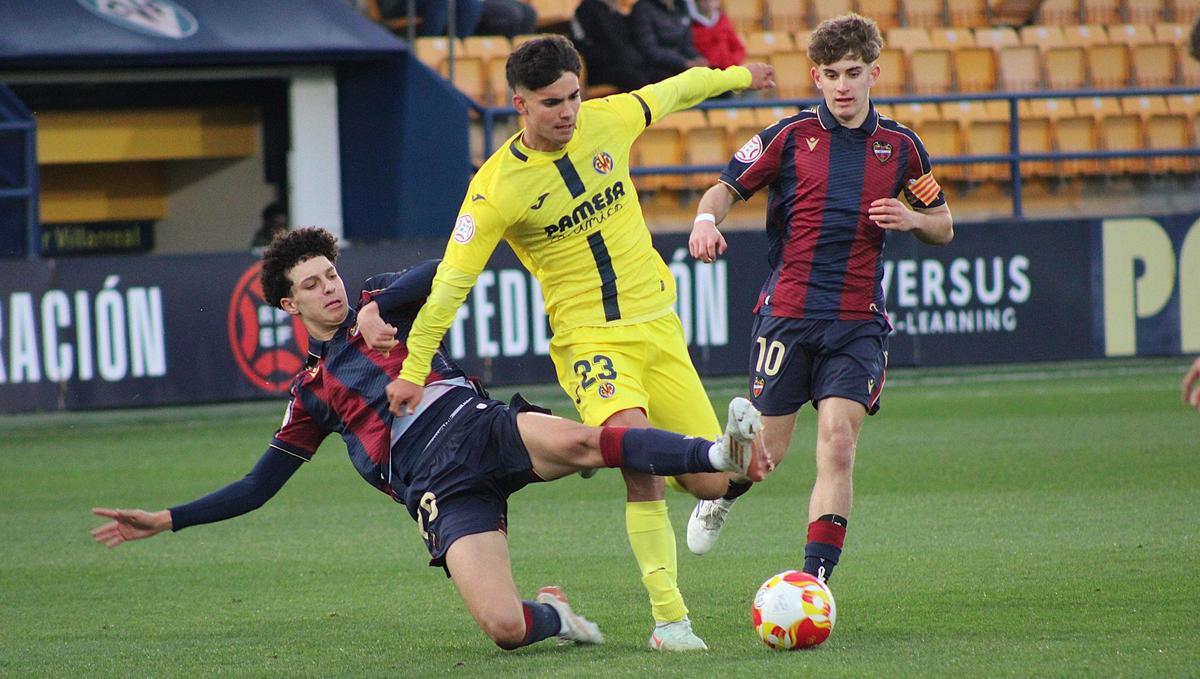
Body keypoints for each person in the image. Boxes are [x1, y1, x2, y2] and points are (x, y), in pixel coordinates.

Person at [91, 227, 768, 652]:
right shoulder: (310, 392)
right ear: (288, 304)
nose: (329, 289)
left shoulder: (381, 301)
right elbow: (257, 485)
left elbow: (453, 263)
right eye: (312, 285)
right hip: (437, 488)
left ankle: (717, 454)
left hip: (475, 424)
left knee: (593, 441)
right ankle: (558, 617)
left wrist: (379, 304)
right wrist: (168, 518)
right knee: (504, 628)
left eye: (331, 275)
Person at [383, 35, 775, 650]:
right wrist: (412, 369)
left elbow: (676, 90)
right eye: (551, 103)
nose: (568, 112)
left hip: (657, 323)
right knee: (635, 456)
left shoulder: (608, 118)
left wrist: (739, 75)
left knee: (714, 480)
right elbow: (452, 282)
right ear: (519, 104)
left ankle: (717, 486)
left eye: (573, 96)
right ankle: (670, 621)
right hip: (589, 340)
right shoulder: (495, 189)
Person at [685, 14, 954, 584]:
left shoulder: (902, 147)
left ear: (873, 73)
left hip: (857, 322)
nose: (842, 85)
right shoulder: (788, 136)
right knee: (765, 456)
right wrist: (706, 220)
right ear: (816, 77)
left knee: (838, 444)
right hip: (788, 315)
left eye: (853, 73)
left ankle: (814, 582)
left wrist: (912, 218)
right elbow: (724, 188)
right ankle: (722, 493)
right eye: (831, 74)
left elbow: (943, 224)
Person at [571, 0, 651, 92]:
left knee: (654, 72)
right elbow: (582, 47)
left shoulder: (613, 10)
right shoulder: (585, 9)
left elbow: (627, 42)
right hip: (600, 70)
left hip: (625, 63)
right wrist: (618, 58)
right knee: (637, 78)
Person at [630, 0, 707, 82]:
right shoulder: (643, 8)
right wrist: (684, 63)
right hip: (656, 71)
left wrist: (697, 58)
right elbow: (649, 49)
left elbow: (687, 44)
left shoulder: (681, 4)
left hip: (683, 67)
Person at [685, 0, 745, 70]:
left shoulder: (723, 21)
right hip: (705, 70)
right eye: (705, 1)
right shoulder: (690, 25)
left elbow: (738, 48)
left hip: (727, 69)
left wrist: (731, 62)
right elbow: (687, 49)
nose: (709, 3)